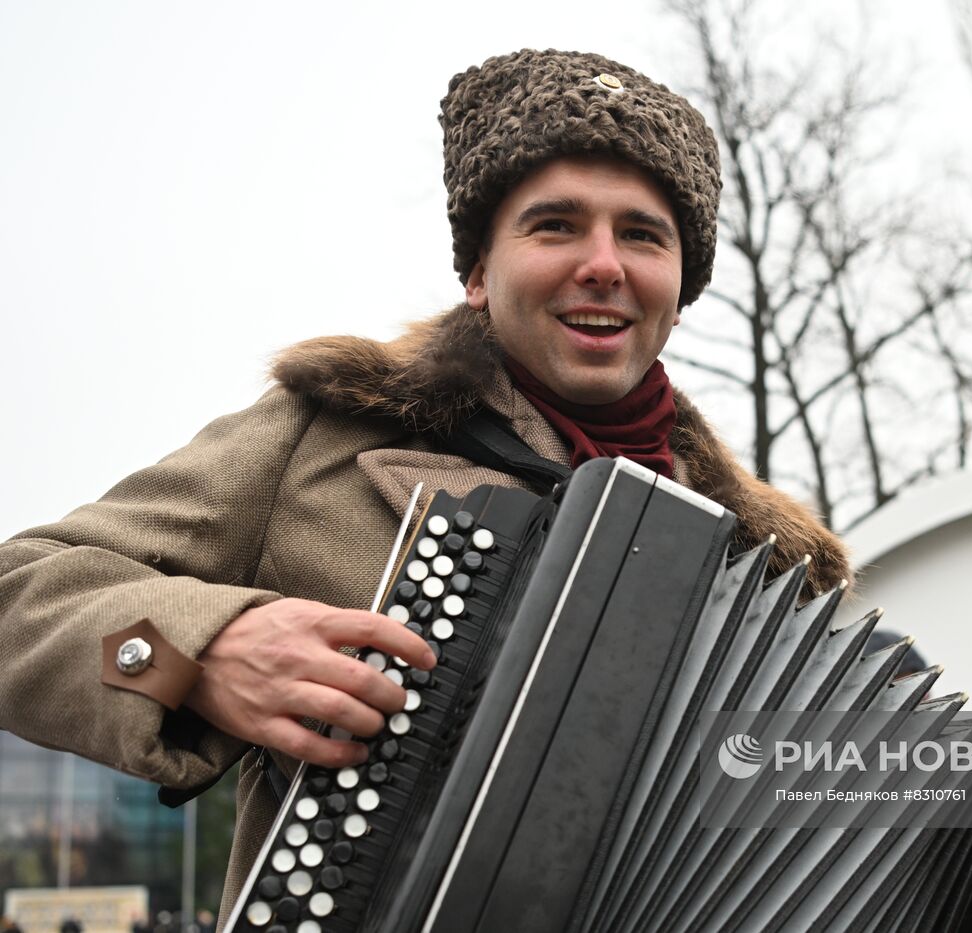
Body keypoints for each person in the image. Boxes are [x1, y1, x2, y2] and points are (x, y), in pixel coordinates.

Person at [0, 49, 850, 924]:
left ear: (681, 286)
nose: (604, 263)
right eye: (555, 225)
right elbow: (14, 596)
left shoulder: (770, 573)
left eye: (642, 233)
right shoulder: (319, 436)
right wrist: (202, 654)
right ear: (480, 272)